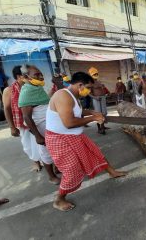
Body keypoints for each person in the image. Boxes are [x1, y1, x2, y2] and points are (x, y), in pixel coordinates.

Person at [45, 72, 126, 211]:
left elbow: (78, 112)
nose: (89, 90)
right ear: (80, 85)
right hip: (60, 138)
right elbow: (69, 123)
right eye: (88, 87)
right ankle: (59, 199)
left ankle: (111, 172)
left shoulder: (74, 96)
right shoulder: (63, 96)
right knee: (72, 170)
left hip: (75, 136)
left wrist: (92, 113)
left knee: (95, 153)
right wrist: (93, 119)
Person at [18, 65, 60, 184]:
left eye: (41, 74)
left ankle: (57, 168)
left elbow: (44, 104)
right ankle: (51, 176)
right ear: (26, 77)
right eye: (36, 75)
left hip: (49, 125)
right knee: (45, 151)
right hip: (41, 128)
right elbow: (26, 117)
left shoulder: (36, 88)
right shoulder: (26, 91)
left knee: (55, 148)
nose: (41, 77)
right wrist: (37, 136)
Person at [2, 66, 41, 171]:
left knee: (43, 141)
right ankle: (36, 162)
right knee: (28, 144)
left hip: (37, 119)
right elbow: (7, 109)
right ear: (19, 76)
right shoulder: (9, 90)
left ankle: (49, 162)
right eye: (26, 74)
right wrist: (12, 127)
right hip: (23, 123)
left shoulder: (33, 86)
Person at [88, 67, 109, 134]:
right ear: (91, 75)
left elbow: (102, 89)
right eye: (94, 74)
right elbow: (88, 93)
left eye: (96, 73)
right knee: (98, 114)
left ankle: (103, 126)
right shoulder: (90, 83)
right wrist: (95, 98)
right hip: (96, 99)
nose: (96, 75)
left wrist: (105, 92)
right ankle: (100, 129)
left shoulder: (98, 81)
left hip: (102, 98)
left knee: (104, 113)